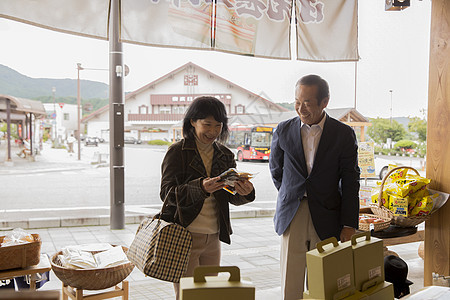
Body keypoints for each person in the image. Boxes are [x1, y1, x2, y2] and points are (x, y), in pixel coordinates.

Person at [269, 74, 360, 300]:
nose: (301, 108)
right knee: (291, 282)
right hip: (293, 212)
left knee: (324, 283)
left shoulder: (343, 134)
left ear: (324, 102)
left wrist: (349, 224)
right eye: (297, 102)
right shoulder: (283, 130)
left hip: (329, 213)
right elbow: (276, 171)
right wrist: (292, 192)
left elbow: (350, 181)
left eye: (307, 102)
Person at [159, 96, 255, 299]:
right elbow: (166, 193)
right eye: (207, 124)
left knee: (209, 294)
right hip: (184, 236)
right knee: (187, 295)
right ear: (193, 122)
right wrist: (200, 187)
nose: (212, 132)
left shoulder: (225, 155)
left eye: (218, 126)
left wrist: (244, 193)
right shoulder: (178, 152)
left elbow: (230, 194)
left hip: (214, 235)